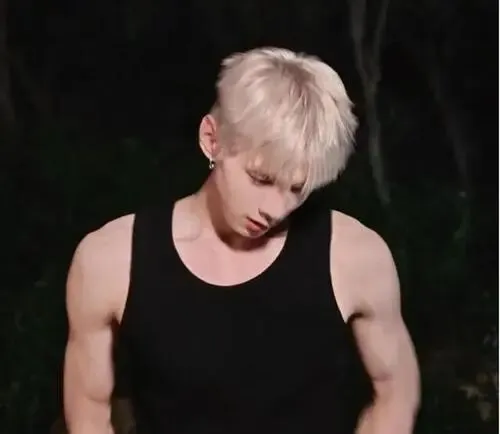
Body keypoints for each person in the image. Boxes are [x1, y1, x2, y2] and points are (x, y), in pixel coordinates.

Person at [63, 47, 420, 434]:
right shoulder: (111, 261)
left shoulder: (355, 257)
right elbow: (88, 412)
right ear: (211, 139)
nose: (275, 209)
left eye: (297, 189)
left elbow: (395, 391)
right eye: (260, 179)